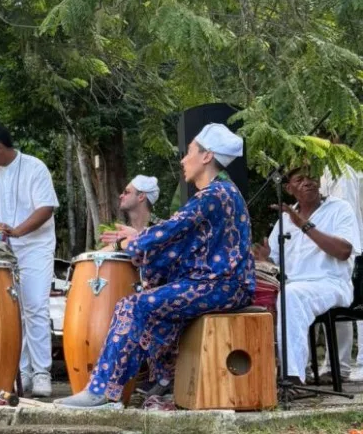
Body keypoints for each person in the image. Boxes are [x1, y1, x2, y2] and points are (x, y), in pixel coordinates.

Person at [55, 123, 255, 410]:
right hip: (220, 285)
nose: (183, 159)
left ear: (206, 156)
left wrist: (127, 245)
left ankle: (102, 392)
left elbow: (172, 232)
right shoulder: (222, 193)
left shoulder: (214, 195)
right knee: (155, 308)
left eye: (188, 152)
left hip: (222, 286)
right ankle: (164, 384)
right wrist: (139, 240)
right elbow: (184, 242)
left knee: (134, 306)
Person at [0, 123, 59, 398]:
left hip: (35, 247)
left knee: (34, 306)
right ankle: (22, 373)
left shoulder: (34, 167)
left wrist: (18, 231)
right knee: (10, 313)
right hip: (3, 251)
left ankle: (42, 372)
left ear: (0, 148)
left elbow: (47, 207)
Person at [253, 165, 360, 385]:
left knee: (290, 296)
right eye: (300, 179)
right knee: (260, 296)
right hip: (295, 286)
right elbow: (275, 263)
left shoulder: (340, 209)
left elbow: (343, 251)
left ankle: (293, 378)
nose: (308, 182)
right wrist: (265, 261)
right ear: (289, 188)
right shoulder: (285, 220)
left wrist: (303, 225)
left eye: (311, 177)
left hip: (331, 283)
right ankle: (261, 375)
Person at [318, 162, 363, 381]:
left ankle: (340, 367)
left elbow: (345, 212)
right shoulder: (324, 171)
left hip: (343, 247)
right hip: (325, 246)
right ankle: (329, 366)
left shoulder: (341, 170)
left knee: (341, 306)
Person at [100, 175, 161, 251]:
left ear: (141, 197)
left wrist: (136, 238)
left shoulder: (164, 227)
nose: (121, 196)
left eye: (126, 192)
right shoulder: (120, 231)